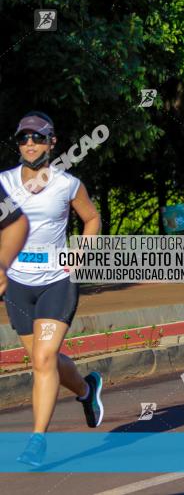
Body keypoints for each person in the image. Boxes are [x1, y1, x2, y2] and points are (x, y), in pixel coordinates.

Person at [0, 112, 104, 467]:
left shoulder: (67, 185)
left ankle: (37, 441)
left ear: (52, 142)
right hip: (17, 284)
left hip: (56, 281)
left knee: (44, 360)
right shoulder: (4, 183)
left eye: (38, 137)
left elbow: (91, 219)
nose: (30, 144)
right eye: (24, 138)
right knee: (44, 360)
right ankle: (87, 389)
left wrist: (81, 252)